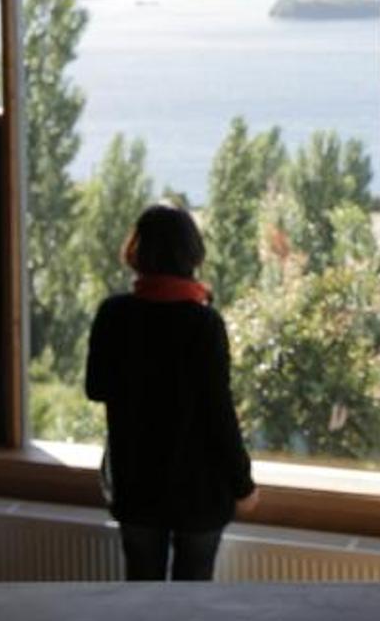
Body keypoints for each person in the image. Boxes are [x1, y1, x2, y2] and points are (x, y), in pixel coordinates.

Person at [82, 203, 256, 581]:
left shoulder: (113, 315)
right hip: (200, 490)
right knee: (191, 603)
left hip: (136, 484)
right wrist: (243, 484)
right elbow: (219, 413)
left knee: (142, 597)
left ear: (136, 251)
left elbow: (96, 388)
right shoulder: (204, 323)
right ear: (193, 253)